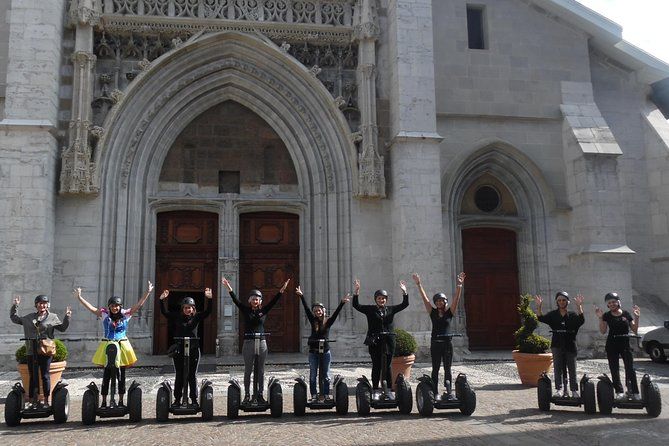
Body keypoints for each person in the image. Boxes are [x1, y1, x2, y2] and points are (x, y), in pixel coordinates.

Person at [74, 281, 154, 407]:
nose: (115, 308)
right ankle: (104, 401)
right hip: (108, 345)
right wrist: (79, 297)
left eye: (117, 306)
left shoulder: (126, 315)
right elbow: (90, 308)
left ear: (120, 306)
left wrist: (148, 292)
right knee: (106, 374)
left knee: (121, 374)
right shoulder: (104, 315)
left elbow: (138, 306)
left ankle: (121, 401)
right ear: (109, 306)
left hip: (122, 346)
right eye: (112, 306)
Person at [221, 276, 290, 404]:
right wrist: (229, 288)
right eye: (253, 299)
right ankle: (247, 394)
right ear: (249, 300)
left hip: (262, 342)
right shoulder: (246, 310)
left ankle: (259, 394)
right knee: (248, 370)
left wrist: (282, 290)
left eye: (257, 299)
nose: (255, 300)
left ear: (260, 301)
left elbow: (274, 301)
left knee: (261, 370)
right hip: (248, 342)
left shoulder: (264, 310)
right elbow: (236, 300)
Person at [10, 294, 71, 409]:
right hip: (31, 350)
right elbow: (15, 318)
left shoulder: (52, 317)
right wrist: (15, 305)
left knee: (45, 375)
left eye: (44, 303)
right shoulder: (29, 318)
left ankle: (46, 401)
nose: (42, 305)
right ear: (36, 305)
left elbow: (62, 328)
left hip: (45, 350)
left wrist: (67, 317)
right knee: (32, 375)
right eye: (40, 303)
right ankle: (33, 401)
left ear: (47, 305)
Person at [352, 278, 409, 399]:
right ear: (376, 300)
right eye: (379, 298)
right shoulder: (370, 310)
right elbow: (356, 305)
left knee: (388, 365)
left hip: (388, 341)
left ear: (386, 300)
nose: (381, 300)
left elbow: (405, 304)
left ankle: (388, 389)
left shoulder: (391, 309)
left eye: (383, 298)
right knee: (376, 365)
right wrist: (356, 292)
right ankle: (376, 389)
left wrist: (404, 292)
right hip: (375, 341)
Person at [412, 272, 465, 400]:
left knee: (448, 368)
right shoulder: (432, 312)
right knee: (435, 368)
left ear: (445, 302)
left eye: (442, 301)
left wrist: (459, 286)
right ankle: (434, 392)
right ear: (436, 303)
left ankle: (449, 392)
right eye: (438, 301)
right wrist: (419, 284)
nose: (440, 303)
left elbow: (456, 300)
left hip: (447, 344)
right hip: (435, 343)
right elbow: (425, 299)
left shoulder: (449, 313)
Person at [159, 287, 215, 407]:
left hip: (193, 348)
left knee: (192, 375)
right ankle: (177, 399)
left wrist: (209, 299)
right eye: (185, 308)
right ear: (182, 308)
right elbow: (164, 313)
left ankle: (194, 399)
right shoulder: (177, 317)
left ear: (193, 308)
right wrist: (161, 300)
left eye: (189, 308)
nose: (187, 310)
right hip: (179, 349)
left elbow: (208, 312)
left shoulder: (197, 317)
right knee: (179, 374)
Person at [295, 285, 350, 402]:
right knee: (313, 375)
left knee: (326, 375)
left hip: (325, 351)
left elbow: (336, 314)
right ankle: (314, 395)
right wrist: (301, 296)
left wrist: (342, 303)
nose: (317, 312)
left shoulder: (328, 321)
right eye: (315, 311)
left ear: (323, 311)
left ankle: (325, 394)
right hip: (313, 351)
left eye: (319, 310)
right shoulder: (312, 320)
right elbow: (306, 309)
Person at [534, 291, 585, 398]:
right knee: (558, 368)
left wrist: (579, 306)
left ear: (568, 301)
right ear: (557, 302)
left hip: (570, 344)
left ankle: (574, 390)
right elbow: (540, 318)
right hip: (557, 345)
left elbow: (581, 320)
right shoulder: (553, 314)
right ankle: (559, 389)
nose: (561, 302)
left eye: (564, 300)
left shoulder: (572, 315)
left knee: (572, 368)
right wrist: (539, 307)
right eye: (559, 300)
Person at [595, 292, 641, 400]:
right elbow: (602, 331)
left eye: (614, 302)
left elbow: (634, 330)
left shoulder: (626, 314)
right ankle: (619, 391)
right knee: (614, 369)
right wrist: (600, 318)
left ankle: (634, 391)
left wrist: (637, 317)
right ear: (608, 305)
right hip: (612, 344)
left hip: (625, 344)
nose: (612, 304)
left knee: (630, 368)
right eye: (609, 303)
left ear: (618, 302)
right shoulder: (606, 315)